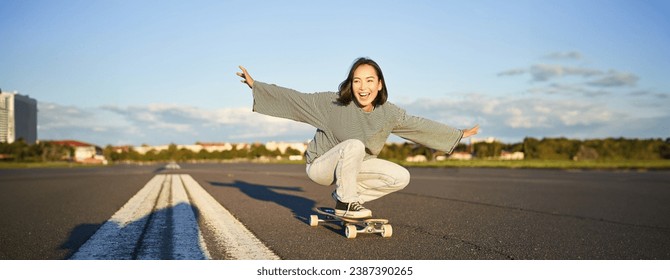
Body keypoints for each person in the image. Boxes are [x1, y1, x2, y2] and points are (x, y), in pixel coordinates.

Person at [236, 57, 479, 218]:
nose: (363, 87)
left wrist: (457, 135)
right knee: (353, 144)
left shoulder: (389, 113)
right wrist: (256, 86)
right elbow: (295, 99)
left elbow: (417, 126)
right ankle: (346, 201)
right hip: (321, 165)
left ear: (380, 84)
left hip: (353, 168)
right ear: (351, 84)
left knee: (400, 176)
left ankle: (345, 196)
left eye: (369, 81)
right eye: (357, 81)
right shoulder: (332, 104)